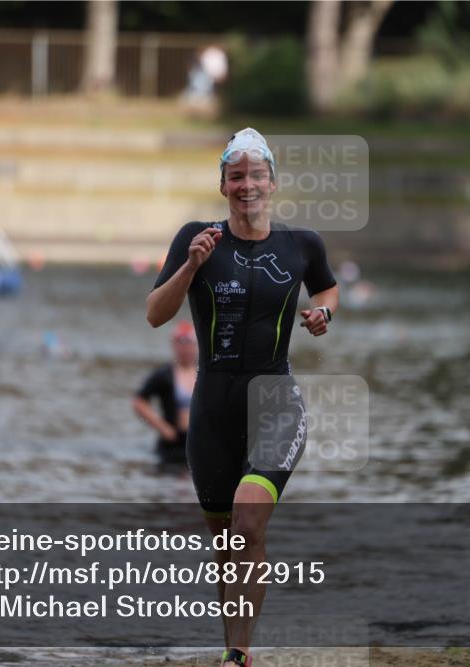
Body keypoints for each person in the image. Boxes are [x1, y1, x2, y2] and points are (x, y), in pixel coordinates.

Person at [146, 128, 339, 667]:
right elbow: (155, 313)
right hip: (212, 408)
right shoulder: (196, 237)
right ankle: (234, 647)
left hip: (274, 401)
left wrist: (325, 312)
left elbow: (326, 286)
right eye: (236, 176)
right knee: (226, 544)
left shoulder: (302, 244)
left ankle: (238, 654)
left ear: (272, 182)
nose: (247, 185)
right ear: (223, 184)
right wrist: (190, 265)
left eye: (257, 175)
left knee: (248, 523)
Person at [132, 321, 198, 466]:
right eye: (180, 343)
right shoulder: (164, 375)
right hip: (172, 444)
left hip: (197, 443)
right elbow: (139, 401)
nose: (184, 349)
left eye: (188, 344)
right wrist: (162, 427)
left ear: (196, 346)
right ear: (174, 346)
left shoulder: (204, 374)